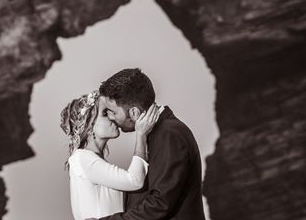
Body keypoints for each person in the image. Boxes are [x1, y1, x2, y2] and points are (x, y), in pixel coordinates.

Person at [95, 68, 206, 220]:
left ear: (134, 113)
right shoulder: (156, 133)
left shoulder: (169, 133)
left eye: (113, 112)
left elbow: (160, 203)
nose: (111, 117)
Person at [60, 89, 164, 220]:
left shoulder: (93, 161)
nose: (112, 117)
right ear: (89, 126)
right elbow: (135, 181)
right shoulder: (81, 158)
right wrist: (141, 135)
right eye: (104, 113)